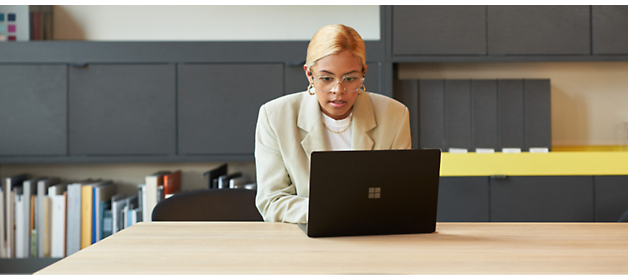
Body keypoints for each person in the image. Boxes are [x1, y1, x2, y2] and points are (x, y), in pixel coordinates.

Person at [254, 24, 411, 223]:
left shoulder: (394, 115)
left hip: (372, 236)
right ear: (309, 74)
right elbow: (271, 202)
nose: (338, 90)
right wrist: (334, 209)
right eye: (326, 78)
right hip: (305, 239)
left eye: (350, 78)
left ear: (363, 73)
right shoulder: (275, 116)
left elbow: (400, 197)